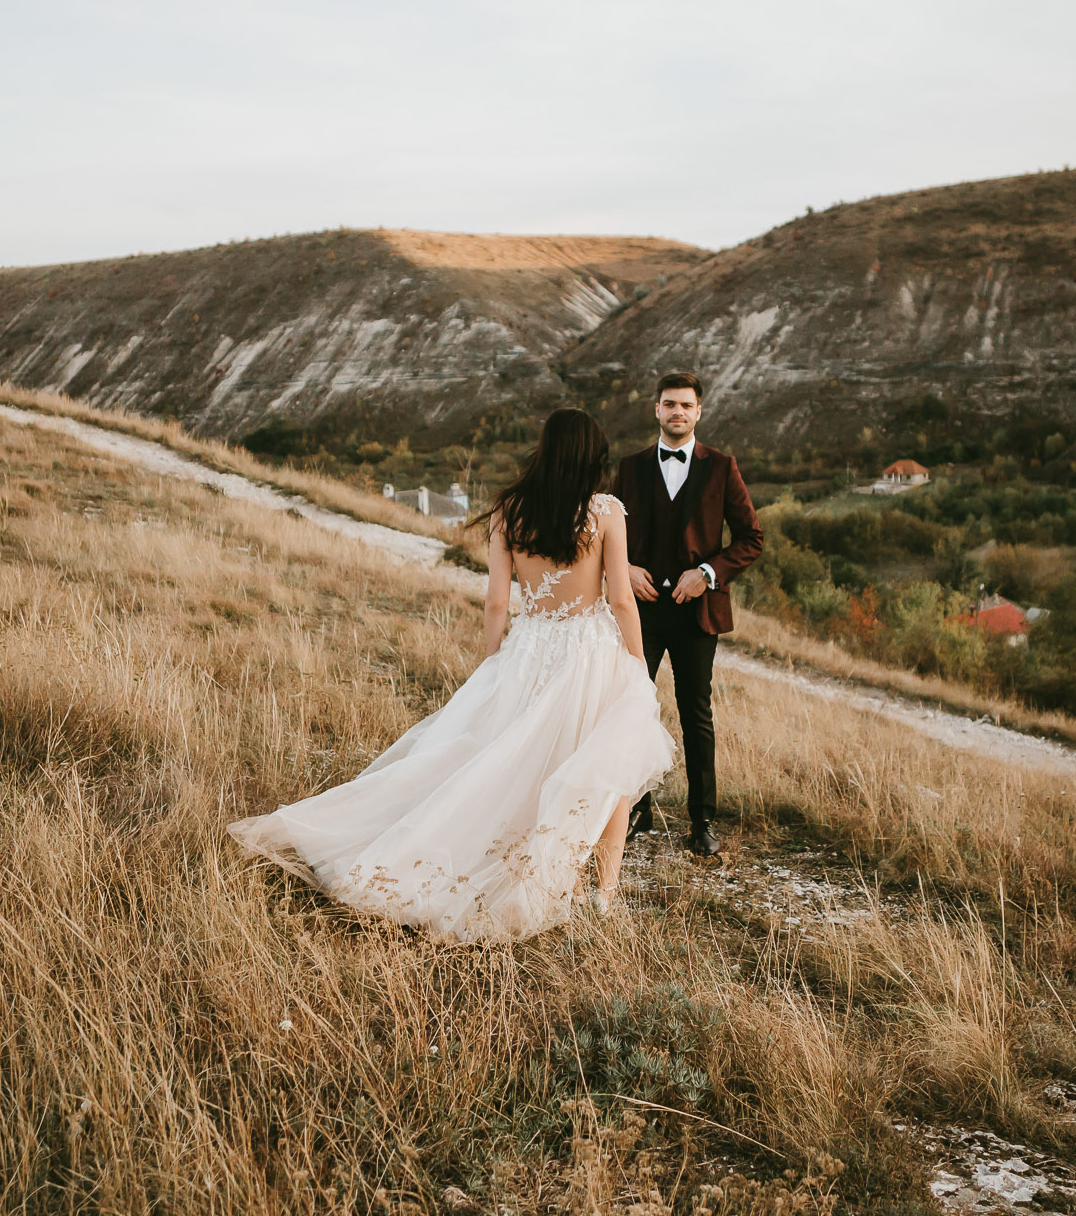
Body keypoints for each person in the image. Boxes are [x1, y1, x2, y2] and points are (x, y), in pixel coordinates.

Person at [228, 408, 673, 942]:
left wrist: (495, 662)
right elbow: (621, 598)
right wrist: (636, 665)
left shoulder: (511, 511)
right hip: (588, 652)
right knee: (604, 769)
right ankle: (603, 894)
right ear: (591, 454)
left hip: (529, 650)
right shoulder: (605, 513)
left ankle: (552, 879)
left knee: (511, 762)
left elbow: (495, 603)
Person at [613, 371, 765, 856]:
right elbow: (606, 534)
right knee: (632, 708)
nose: (677, 412)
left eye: (685, 405)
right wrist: (627, 568)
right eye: (668, 404)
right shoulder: (630, 468)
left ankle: (702, 820)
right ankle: (636, 810)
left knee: (696, 713)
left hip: (698, 615)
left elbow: (751, 539)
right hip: (640, 611)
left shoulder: (722, 467)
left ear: (699, 412)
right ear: (655, 410)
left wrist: (707, 572)